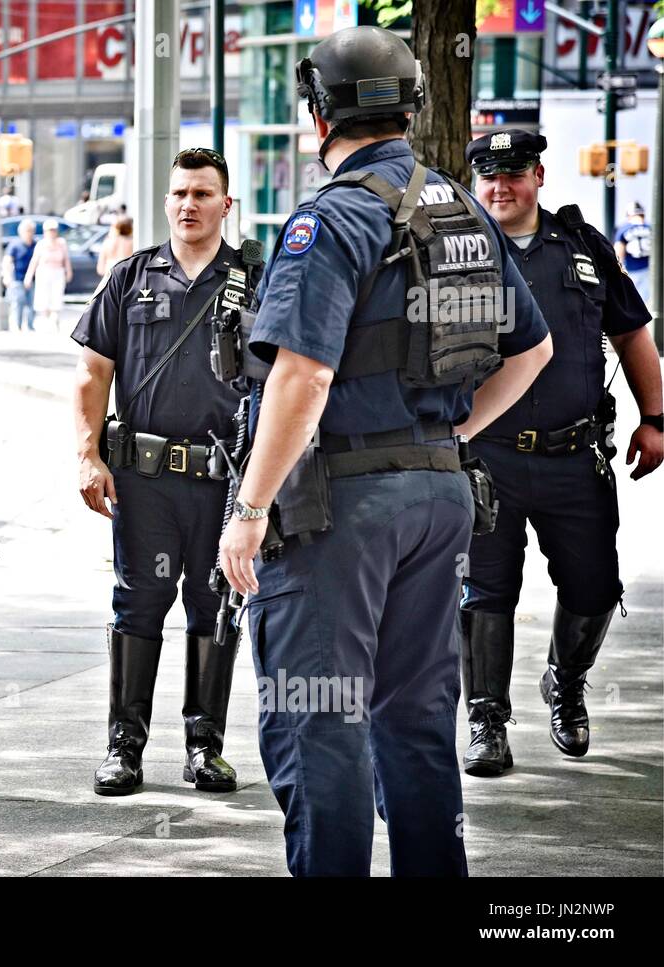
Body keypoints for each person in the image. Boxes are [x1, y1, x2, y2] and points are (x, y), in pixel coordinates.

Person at [218, 27, 553, 876]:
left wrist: (250, 510)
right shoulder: (460, 208)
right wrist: (448, 439)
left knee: (319, 714)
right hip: (437, 495)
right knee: (415, 715)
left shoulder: (332, 218)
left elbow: (302, 377)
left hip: (341, 510)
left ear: (322, 110)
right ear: (408, 103)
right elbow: (532, 351)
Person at [458, 131, 662, 777]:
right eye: (487, 176)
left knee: (596, 585)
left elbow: (632, 334)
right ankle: (487, 718)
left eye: (514, 173)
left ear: (539, 175)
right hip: (484, 457)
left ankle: (565, 680)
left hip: (573, 456)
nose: (500, 186)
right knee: (484, 590)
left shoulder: (581, 247)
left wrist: (655, 418)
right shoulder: (456, 254)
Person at [72, 147, 264, 797]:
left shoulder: (255, 281)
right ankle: (123, 747)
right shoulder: (131, 277)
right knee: (138, 603)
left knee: (215, 607)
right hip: (144, 479)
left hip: (224, 483)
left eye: (203, 194)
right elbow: (92, 370)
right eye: (180, 192)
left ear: (226, 205)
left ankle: (204, 746)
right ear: (166, 201)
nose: (189, 203)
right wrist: (86, 452)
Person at [27, 222, 72, 331]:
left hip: (58, 272)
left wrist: (69, 271)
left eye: (53, 230)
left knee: (56, 296)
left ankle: (54, 319)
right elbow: (34, 261)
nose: (51, 233)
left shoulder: (62, 243)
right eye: (49, 230)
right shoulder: (41, 244)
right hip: (44, 272)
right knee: (43, 297)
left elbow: (66, 258)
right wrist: (29, 276)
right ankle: (46, 321)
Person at [614, 201, 652, 307]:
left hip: (631, 270)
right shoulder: (651, 227)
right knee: (647, 304)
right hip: (649, 271)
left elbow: (618, 254)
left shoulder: (624, 229)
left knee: (631, 303)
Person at [2, 219, 37, 331]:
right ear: (21, 232)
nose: (29, 233)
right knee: (18, 303)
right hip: (18, 278)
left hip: (33, 279)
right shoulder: (15, 245)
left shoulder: (36, 244)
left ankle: (30, 326)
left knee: (32, 304)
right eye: (27, 230)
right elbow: (7, 261)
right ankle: (18, 325)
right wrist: (7, 276)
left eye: (31, 230)